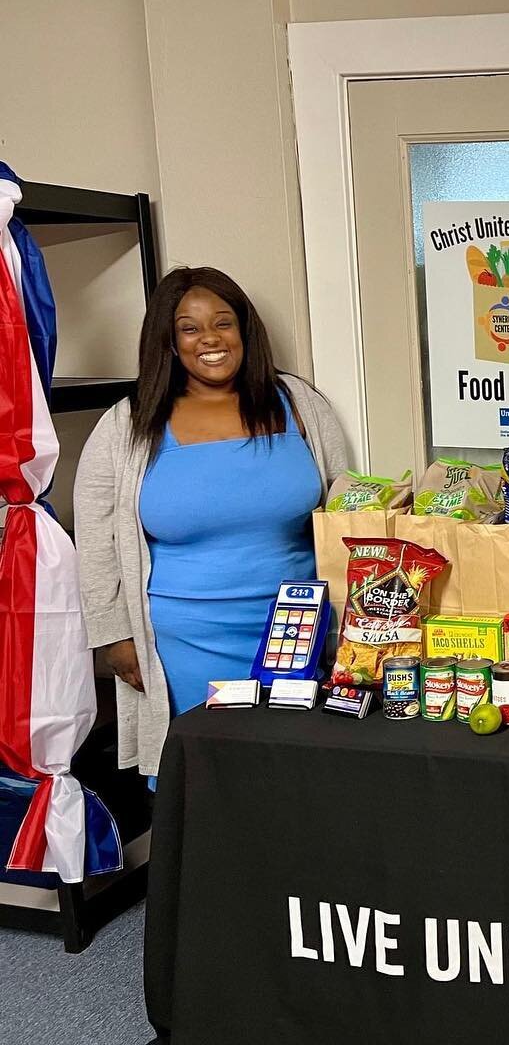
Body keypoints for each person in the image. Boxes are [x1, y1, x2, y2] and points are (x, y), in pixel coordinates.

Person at [75, 267, 349, 780]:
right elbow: (95, 539)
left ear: (244, 330)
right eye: (190, 328)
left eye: (223, 323)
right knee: (205, 786)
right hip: (182, 644)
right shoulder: (127, 423)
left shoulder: (298, 404)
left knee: (301, 777)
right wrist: (114, 637)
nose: (211, 340)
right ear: (169, 341)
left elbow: (345, 504)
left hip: (300, 631)